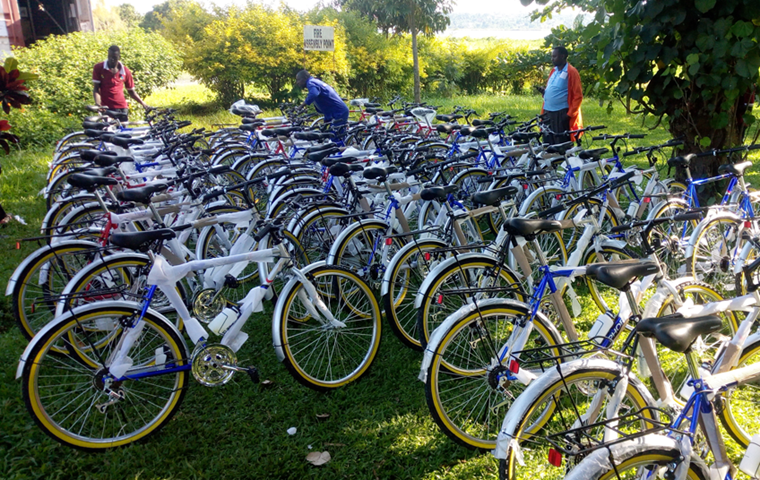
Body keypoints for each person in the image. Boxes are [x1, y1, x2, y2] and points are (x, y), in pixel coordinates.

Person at [536, 46, 583, 145]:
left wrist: (569, 114)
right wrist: (545, 92)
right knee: (548, 142)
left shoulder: (571, 72)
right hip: (547, 112)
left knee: (561, 143)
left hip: (561, 113)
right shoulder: (554, 71)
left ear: (563, 56)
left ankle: (563, 160)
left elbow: (577, 96)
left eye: (555, 56)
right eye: (552, 56)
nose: (552, 59)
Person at [92, 45, 150, 121]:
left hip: (122, 108)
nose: (111, 59)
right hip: (107, 108)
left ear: (119, 57)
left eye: (114, 57)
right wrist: (98, 104)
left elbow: (131, 91)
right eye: (109, 57)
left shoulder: (125, 71)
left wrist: (143, 103)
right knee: (109, 132)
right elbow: (96, 89)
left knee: (123, 131)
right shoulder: (99, 68)